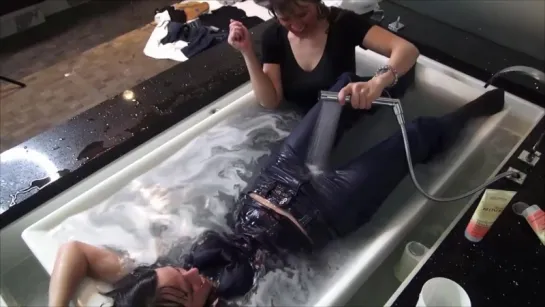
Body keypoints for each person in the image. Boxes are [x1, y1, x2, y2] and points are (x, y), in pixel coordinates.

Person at [48, 81, 506, 307]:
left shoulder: (147, 283)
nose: (189, 268)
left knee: (337, 95)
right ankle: (476, 112)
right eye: (189, 286)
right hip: (328, 209)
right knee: (415, 136)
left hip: (274, 181)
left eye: (178, 271)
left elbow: (74, 250)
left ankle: (393, 78)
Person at [228, 0, 420, 133]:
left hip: (346, 125)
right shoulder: (274, 36)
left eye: (302, 14)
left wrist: (377, 83)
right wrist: (247, 52)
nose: (296, 26)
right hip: (297, 128)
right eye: (285, 19)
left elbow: (407, 50)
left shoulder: (343, 23)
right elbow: (270, 102)